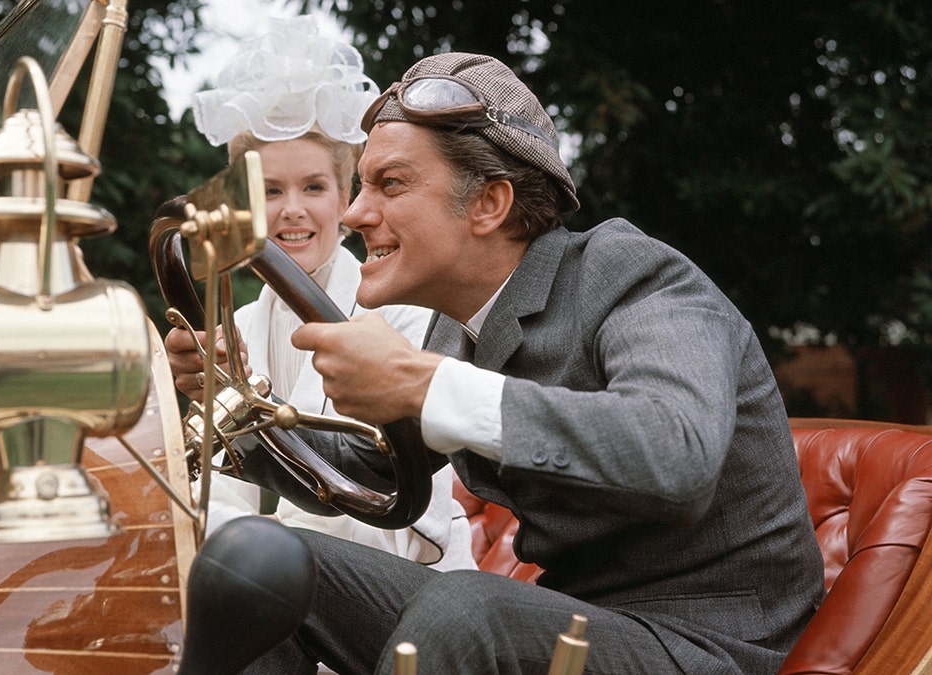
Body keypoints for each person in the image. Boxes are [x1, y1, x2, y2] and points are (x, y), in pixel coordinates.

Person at [172, 51, 826, 674]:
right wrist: (242, 405)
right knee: (264, 564)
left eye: (391, 183)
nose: (354, 211)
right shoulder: (456, 332)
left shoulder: (636, 276)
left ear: (489, 202)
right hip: (576, 619)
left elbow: (675, 455)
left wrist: (421, 384)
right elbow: (372, 478)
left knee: (465, 605)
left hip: (712, 647)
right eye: (362, 184)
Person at [174, 16, 476, 571]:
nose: (292, 208)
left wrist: (247, 546)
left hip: (404, 580)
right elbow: (220, 489)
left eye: (313, 187)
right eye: (270, 190)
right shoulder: (235, 325)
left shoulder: (406, 314)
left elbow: (384, 503)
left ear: (345, 201)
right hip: (271, 583)